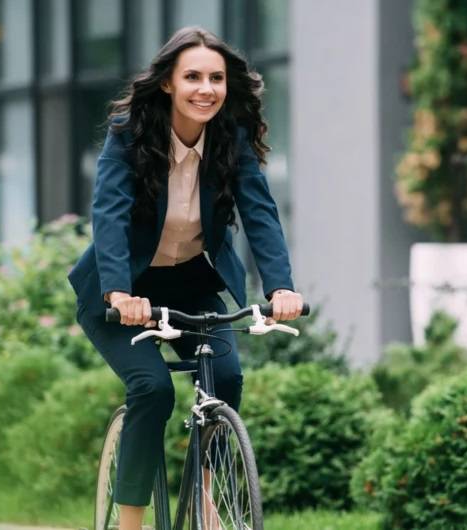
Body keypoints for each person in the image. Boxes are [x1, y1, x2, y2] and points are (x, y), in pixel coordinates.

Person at [67, 26, 304, 530]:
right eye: (193, 76)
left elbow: (260, 213)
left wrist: (280, 286)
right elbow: (109, 214)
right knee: (153, 389)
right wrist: (119, 291)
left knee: (228, 376)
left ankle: (203, 494)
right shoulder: (129, 135)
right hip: (121, 292)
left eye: (216, 78)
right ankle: (131, 518)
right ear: (169, 83)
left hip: (191, 284)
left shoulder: (230, 139)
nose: (207, 88)